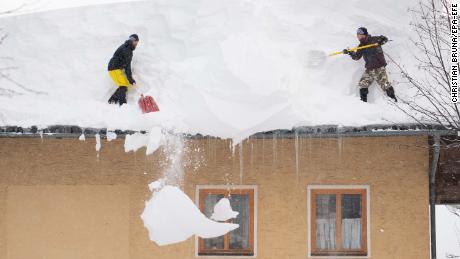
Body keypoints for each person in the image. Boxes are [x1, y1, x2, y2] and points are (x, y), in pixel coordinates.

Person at [343, 27, 397, 102]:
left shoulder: (374, 39)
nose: (357, 36)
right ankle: (363, 103)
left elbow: (385, 39)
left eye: (359, 34)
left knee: (385, 85)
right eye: (357, 35)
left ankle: (394, 100)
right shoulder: (361, 46)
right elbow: (357, 57)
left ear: (363, 34)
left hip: (379, 67)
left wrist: (381, 41)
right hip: (370, 69)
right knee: (363, 84)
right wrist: (350, 52)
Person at [107, 34, 139, 105]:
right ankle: (122, 104)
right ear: (132, 41)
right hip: (114, 68)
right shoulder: (127, 50)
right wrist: (130, 79)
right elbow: (127, 67)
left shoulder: (126, 47)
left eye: (137, 43)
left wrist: (130, 80)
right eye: (135, 42)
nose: (136, 44)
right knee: (123, 85)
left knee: (124, 85)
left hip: (115, 68)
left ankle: (112, 101)